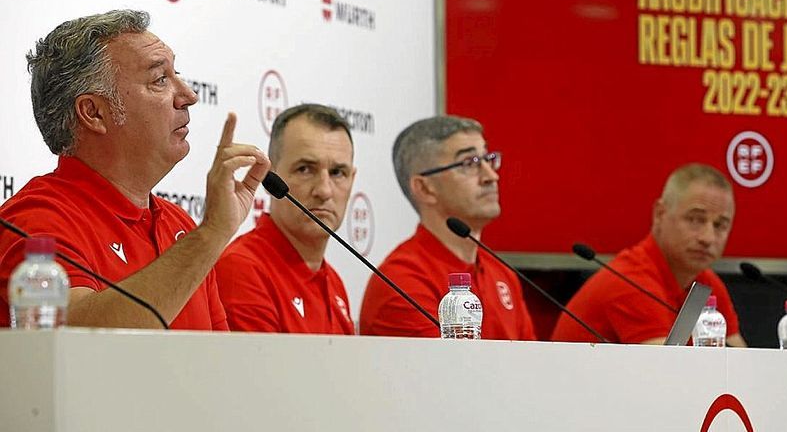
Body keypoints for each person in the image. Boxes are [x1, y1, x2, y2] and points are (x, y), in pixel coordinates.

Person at [0, 9, 269, 330]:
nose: (189, 96)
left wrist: (205, 236)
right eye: (160, 80)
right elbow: (77, 347)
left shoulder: (178, 224)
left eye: (176, 75)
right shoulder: (36, 221)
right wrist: (211, 233)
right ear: (93, 112)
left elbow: (221, 363)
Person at [359, 115, 535, 339]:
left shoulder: (501, 273)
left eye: (488, 159)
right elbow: (447, 373)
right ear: (425, 188)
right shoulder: (403, 282)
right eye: (469, 163)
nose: (491, 176)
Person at [551, 163, 747, 346]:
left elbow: (740, 366)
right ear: (660, 214)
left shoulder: (705, 284)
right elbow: (667, 375)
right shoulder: (630, 280)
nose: (708, 238)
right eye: (695, 219)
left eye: (720, 225)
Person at [214, 105, 356, 334]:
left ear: (352, 178)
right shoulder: (242, 269)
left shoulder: (334, 280)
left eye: (338, 172)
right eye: (305, 169)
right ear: (270, 178)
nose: (325, 190)